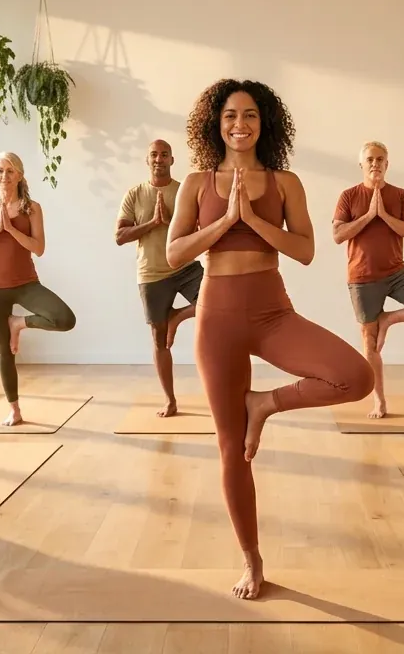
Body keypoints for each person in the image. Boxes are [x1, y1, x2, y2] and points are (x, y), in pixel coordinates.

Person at [166, 79, 374, 600]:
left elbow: (304, 250)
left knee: (356, 376)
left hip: (272, 312)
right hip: (217, 319)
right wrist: (227, 221)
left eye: (251, 115)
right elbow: (174, 255)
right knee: (231, 450)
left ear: (266, 123)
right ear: (216, 122)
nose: (241, 124)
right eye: (231, 115)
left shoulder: (286, 182)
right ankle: (252, 561)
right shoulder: (197, 182)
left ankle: (265, 404)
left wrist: (254, 219)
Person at [0, 151, 77, 426]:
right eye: (0, 171)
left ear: (19, 175)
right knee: (4, 351)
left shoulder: (32, 208)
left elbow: (38, 248)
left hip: (26, 283)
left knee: (65, 318)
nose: (5, 176)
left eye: (10, 171)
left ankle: (19, 323)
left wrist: (12, 230)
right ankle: (14, 410)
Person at [332, 141, 404, 418]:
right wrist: (368, 215)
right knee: (370, 345)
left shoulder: (400, 196)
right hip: (362, 277)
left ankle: (388, 319)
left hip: (396, 273)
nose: (375, 164)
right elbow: (338, 235)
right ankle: (378, 401)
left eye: (380, 159)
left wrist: (384, 215)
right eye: (370, 159)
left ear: (387, 164)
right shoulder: (348, 196)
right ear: (362, 165)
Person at [116, 139, 203, 418]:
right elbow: (119, 236)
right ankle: (170, 400)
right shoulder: (134, 194)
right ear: (147, 160)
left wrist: (176, 225)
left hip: (186, 267)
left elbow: (201, 228)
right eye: (154, 154)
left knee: (217, 304)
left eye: (164, 155)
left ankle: (177, 317)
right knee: (159, 339)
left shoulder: (183, 191)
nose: (159, 159)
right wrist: (153, 223)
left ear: (171, 160)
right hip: (151, 273)